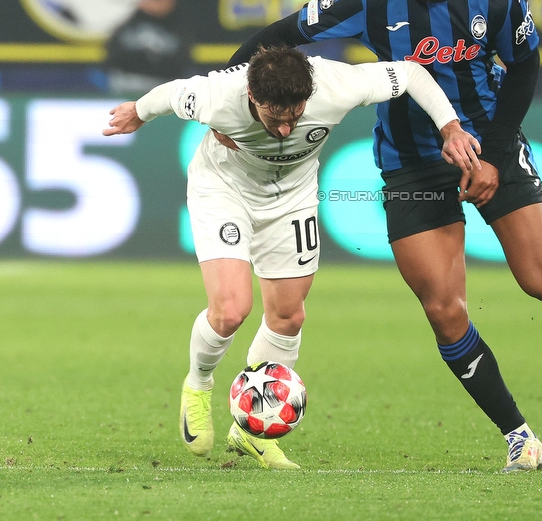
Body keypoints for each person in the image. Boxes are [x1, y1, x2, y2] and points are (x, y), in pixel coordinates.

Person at [227, 0, 542, 473]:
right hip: (410, 163)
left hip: (485, 148)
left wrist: (494, 155)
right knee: (444, 309)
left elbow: (523, 69)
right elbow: (282, 33)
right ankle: (519, 437)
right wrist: (230, 100)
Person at [103, 47, 480, 470]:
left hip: (294, 199)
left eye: (294, 116)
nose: (284, 130)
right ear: (251, 95)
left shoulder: (335, 84)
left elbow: (410, 73)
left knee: (288, 317)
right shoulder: (216, 95)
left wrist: (450, 127)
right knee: (230, 310)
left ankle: (250, 433)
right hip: (224, 190)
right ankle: (198, 383)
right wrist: (137, 111)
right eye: (273, 117)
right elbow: (169, 95)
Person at [104, 0, 191, 96]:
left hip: (164, 87)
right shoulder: (129, 26)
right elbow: (112, 57)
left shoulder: (179, 28)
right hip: (128, 85)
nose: (157, 3)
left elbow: (182, 61)